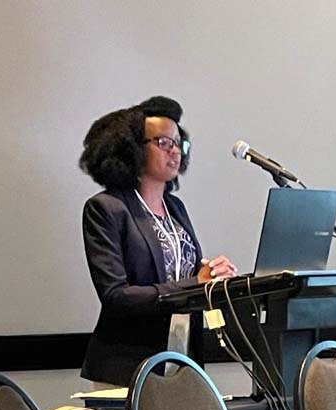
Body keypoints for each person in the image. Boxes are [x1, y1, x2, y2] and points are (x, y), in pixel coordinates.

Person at [78, 96, 237, 387]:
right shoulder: (107, 208)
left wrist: (213, 278)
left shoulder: (175, 208)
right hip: (126, 366)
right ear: (131, 148)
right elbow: (115, 296)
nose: (175, 151)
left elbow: (185, 276)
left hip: (182, 359)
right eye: (164, 143)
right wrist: (195, 284)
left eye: (178, 143)